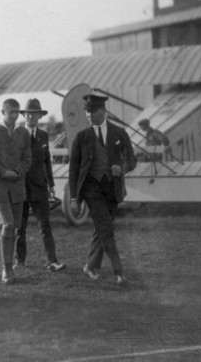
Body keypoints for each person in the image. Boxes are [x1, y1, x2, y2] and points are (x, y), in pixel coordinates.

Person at [69, 94, 137, 285]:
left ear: (103, 111)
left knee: (102, 228)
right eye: (86, 112)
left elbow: (132, 161)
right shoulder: (81, 137)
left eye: (92, 111)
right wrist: (74, 198)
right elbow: (73, 169)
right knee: (106, 228)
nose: (89, 115)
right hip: (92, 189)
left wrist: (121, 168)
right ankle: (118, 271)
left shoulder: (119, 133)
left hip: (113, 189)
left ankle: (90, 265)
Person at [15, 99, 66, 272]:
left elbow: (46, 161)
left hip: (39, 187)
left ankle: (51, 261)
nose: (31, 116)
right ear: (24, 115)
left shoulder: (43, 136)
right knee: (19, 227)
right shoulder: (16, 133)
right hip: (20, 187)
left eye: (34, 113)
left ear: (39, 116)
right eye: (28, 113)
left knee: (45, 225)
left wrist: (51, 184)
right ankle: (19, 260)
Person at [0, 99, 32, 284]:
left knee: (15, 227)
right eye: (10, 112)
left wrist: (18, 172)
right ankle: (6, 269)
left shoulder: (23, 133)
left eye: (16, 112)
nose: (13, 115)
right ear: (2, 112)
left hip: (17, 187)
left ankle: (10, 265)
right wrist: (5, 173)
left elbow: (28, 158)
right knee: (8, 225)